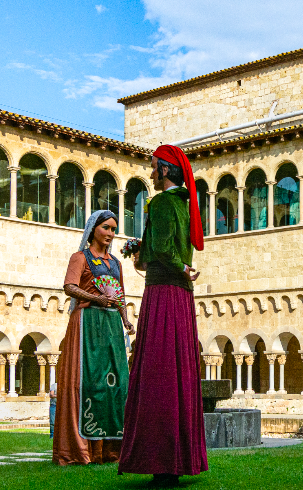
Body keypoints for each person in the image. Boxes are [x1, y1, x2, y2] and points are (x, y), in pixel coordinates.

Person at [119, 145, 207, 487]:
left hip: (163, 293)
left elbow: (167, 250)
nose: (151, 173)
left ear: (166, 171)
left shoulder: (162, 203)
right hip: (180, 295)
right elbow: (169, 247)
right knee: (177, 371)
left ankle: (161, 458)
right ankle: (176, 458)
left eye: (154, 167)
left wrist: (175, 265)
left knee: (158, 373)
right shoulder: (184, 204)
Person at [52, 210, 135, 465]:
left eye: (113, 229)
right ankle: (84, 450)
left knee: (116, 384)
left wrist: (125, 318)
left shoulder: (115, 263)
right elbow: (69, 287)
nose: (110, 234)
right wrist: (96, 298)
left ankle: (111, 450)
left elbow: (119, 293)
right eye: (106, 228)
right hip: (87, 323)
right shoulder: (80, 257)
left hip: (111, 326)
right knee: (88, 382)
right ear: (93, 229)